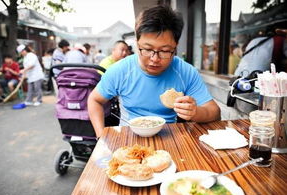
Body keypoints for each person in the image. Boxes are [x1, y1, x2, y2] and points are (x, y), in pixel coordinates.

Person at [88, 6, 221, 137]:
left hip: (171, 137)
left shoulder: (186, 72)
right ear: (137, 43)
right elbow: (94, 100)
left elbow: (215, 112)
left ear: (175, 47)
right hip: (128, 136)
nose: (154, 59)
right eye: (147, 49)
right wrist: (101, 137)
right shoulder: (120, 70)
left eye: (164, 51)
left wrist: (195, 112)